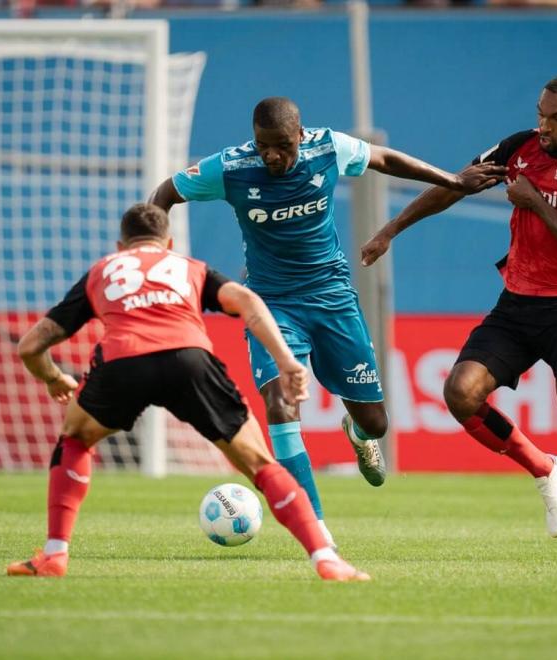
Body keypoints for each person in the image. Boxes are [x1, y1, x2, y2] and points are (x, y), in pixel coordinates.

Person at [149, 97, 506, 547]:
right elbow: (165, 193)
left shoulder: (328, 148)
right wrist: (153, 251)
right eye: (263, 146)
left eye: (281, 145)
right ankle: (315, 527)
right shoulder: (231, 167)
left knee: (375, 422)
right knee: (280, 404)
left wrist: (452, 179)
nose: (272, 156)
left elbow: (385, 159)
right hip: (271, 302)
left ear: (300, 135)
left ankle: (356, 434)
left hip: (332, 298)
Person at [7, 203, 369, 581]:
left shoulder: (103, 271)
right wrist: (288, 361)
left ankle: (54, 555)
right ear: (169, 241)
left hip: (123, 362)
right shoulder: (188, 267)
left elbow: (30, 346)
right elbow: (248, 302)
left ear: (120, 245)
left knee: (75, 441)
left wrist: (52, 378)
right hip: (190, 361)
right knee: (261, 464)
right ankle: (325, 558)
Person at [361, 74, 557, 565]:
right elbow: (455, 186)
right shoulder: (520, 147)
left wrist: (535, 201)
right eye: (541, 114)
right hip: (517, 301)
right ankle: (545, 470)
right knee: (460, 393)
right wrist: (391, 229)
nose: (544, 126)